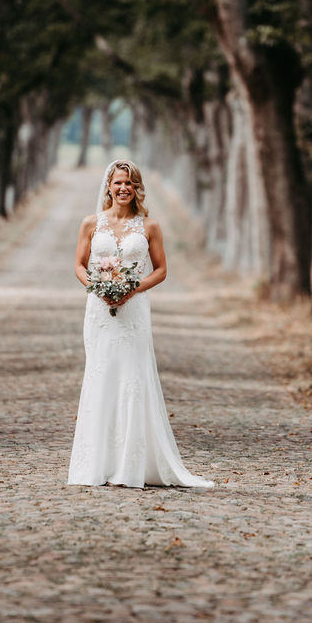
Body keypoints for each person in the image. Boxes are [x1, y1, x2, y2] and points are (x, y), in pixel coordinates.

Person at [68, 159, 213, 488]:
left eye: (129, 184)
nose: (123, 188)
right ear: (108, 186)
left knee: (132, 378)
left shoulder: (149, 226)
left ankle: (130, 466)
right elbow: (78, 263)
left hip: (134, 312)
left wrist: (131, 289)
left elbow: (161, 270)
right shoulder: (91, 223)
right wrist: (96, 286)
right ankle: (96, 464)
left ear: (136, 189)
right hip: (99, 311)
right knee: (101, 376)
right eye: (118, 183)